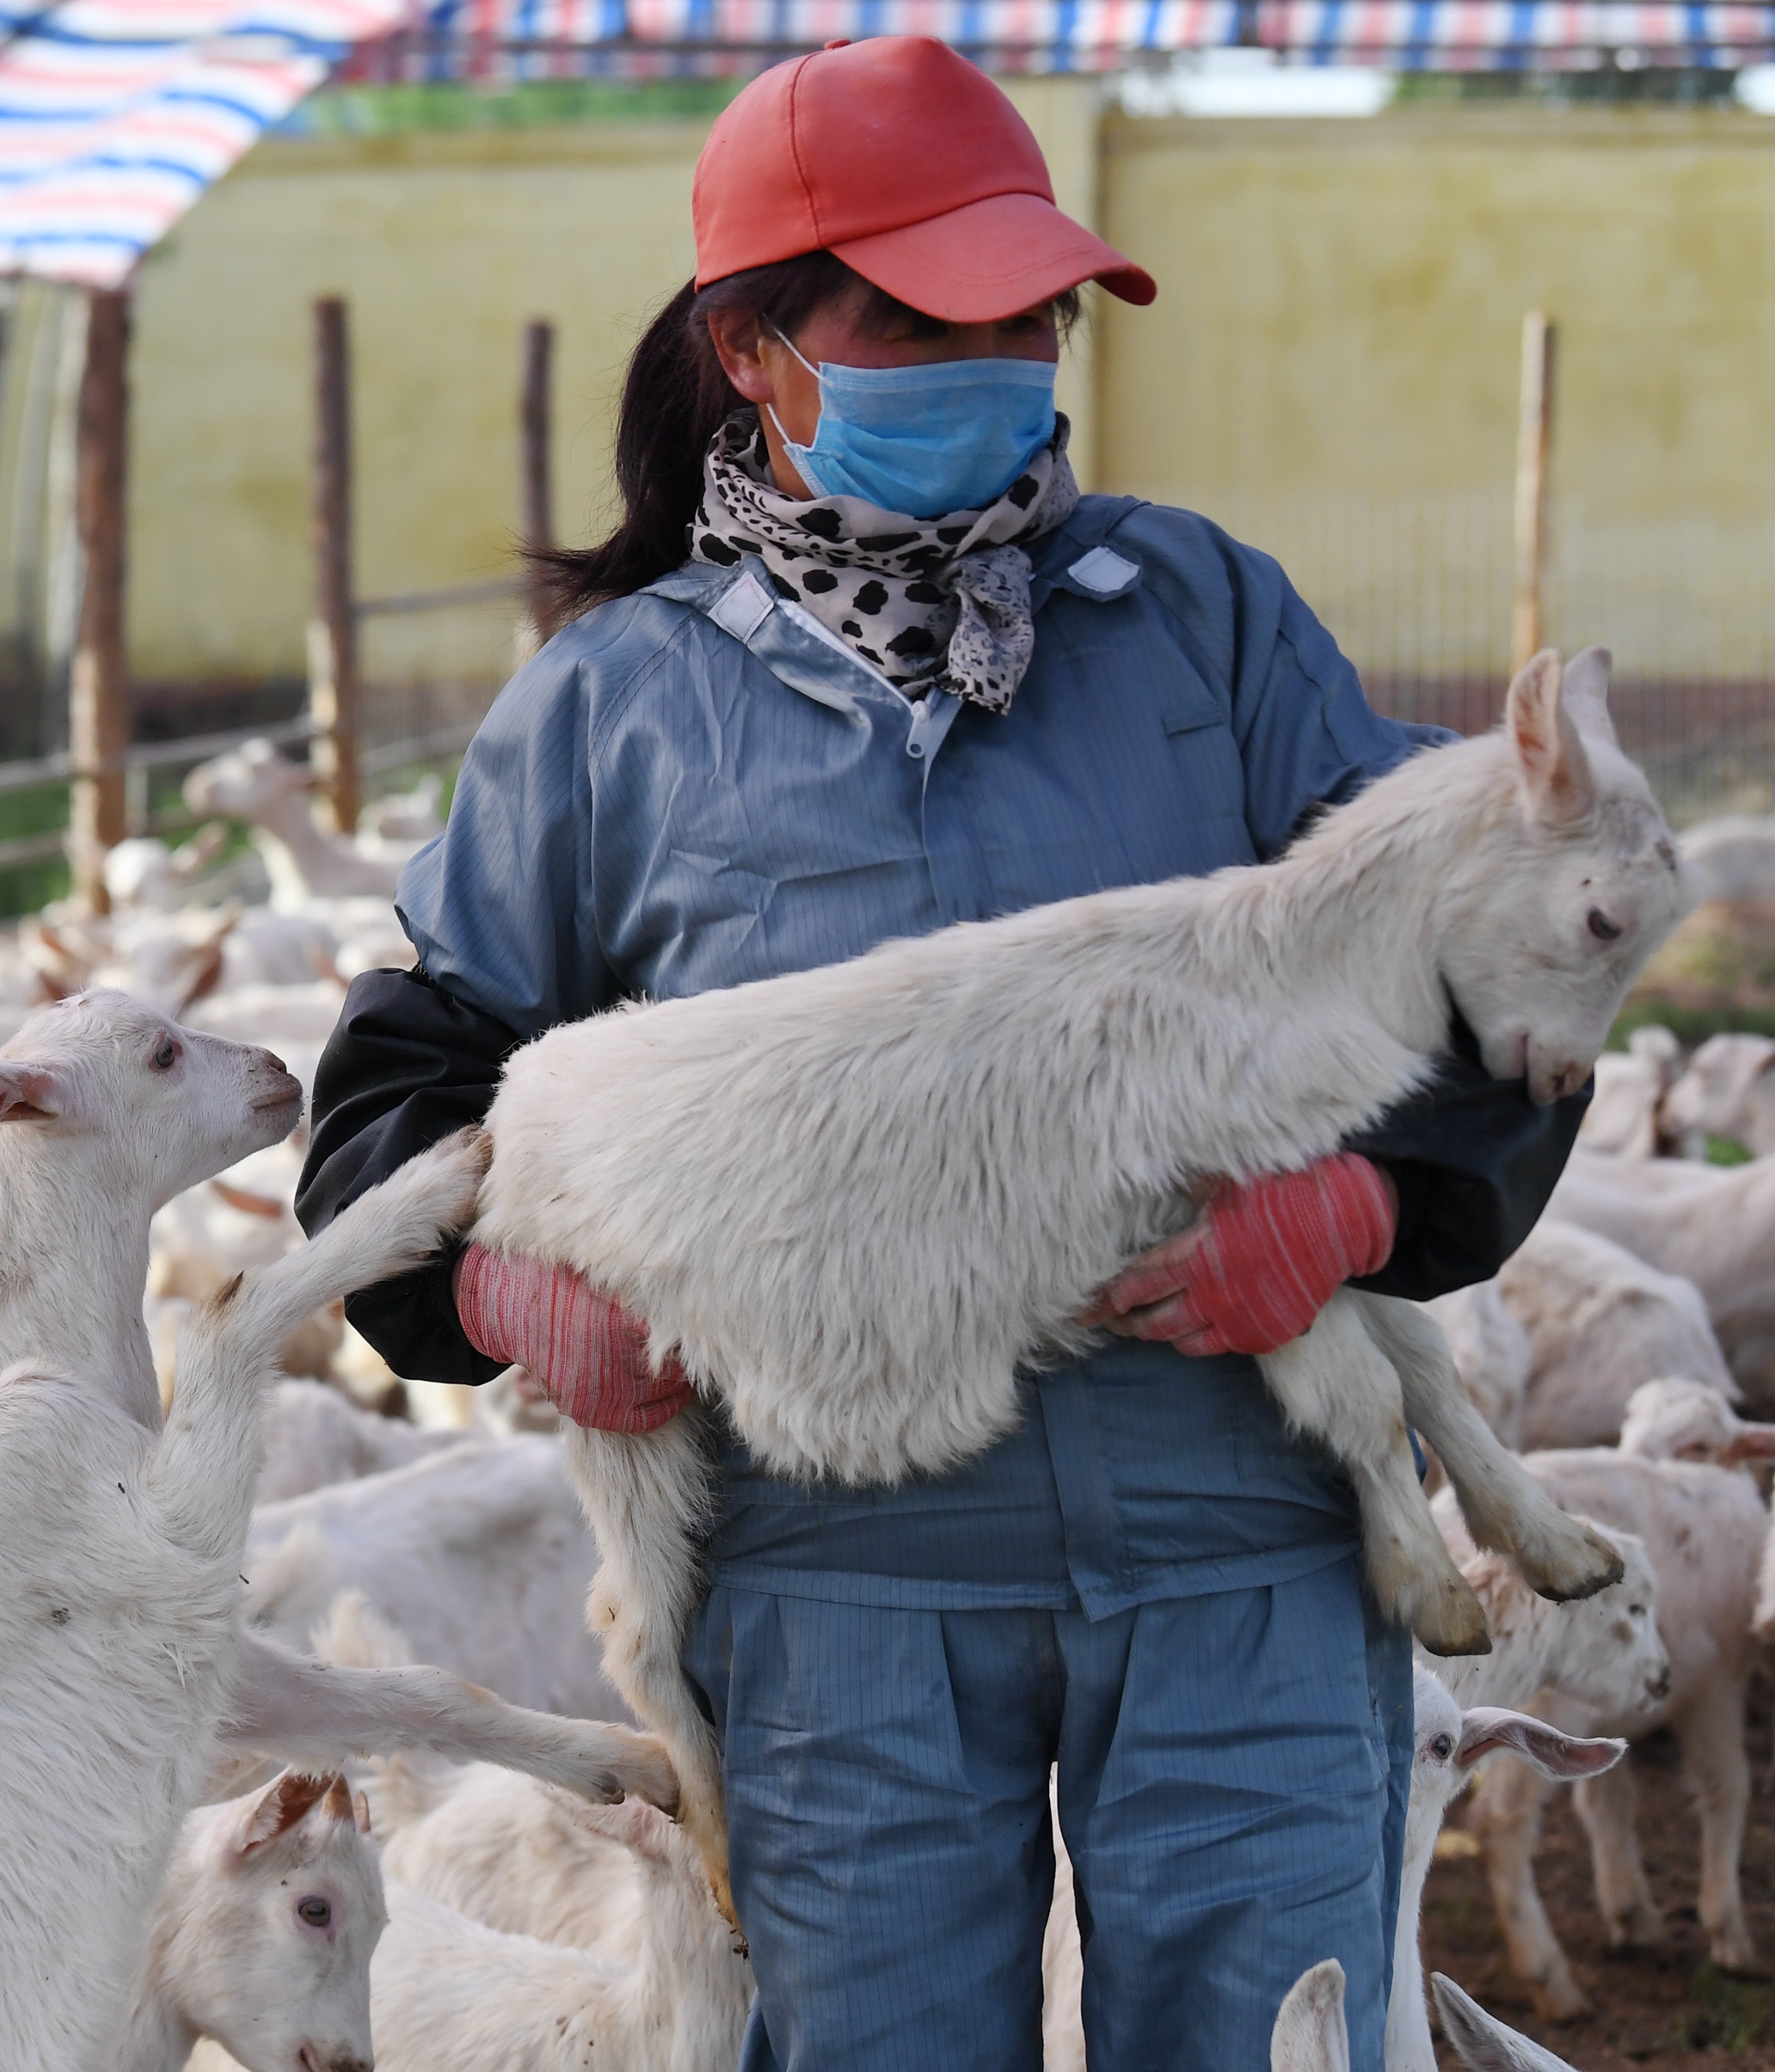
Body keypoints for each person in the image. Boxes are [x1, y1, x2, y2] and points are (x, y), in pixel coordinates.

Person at [298, 37, 1583, 2072]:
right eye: (918, 319)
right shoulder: (615, 713)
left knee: (1271, 2042)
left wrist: (1372, 1198)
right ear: (753, 348)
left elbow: (1492, 948)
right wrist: (495, 1288)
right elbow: (398, 1095)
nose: (996, 358)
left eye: (1030, 315)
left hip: (1238, 1531)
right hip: (834, 1598)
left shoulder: (1200, 625)